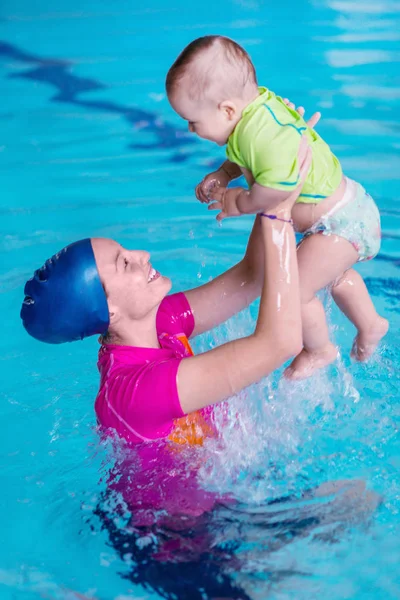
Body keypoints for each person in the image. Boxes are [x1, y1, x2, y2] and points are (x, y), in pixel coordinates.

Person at [21, 135, 314, 446]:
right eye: (124, 263)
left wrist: (270, 176)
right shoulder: (135, 392)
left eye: (126, 251)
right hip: (188, 497)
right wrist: (278, 213)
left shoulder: (159, 320)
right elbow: (279, 343)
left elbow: (252, 276)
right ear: (110, 310)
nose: (143, 255)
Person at [166, 35, 389, 380]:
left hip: (341, 224)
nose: (190, 129)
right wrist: (223, 174)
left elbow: (276, 189)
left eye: (193, 121)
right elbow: (244, 159)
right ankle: (371, 324)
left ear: (227, 110)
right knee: (335, 277)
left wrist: (238, 202)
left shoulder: (260, 134)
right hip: (342, 216)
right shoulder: (251, 116)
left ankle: (319, 349)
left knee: (295, 290)